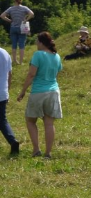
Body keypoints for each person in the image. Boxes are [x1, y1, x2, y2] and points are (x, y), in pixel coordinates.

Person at [16, 31, 61, 159]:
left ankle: (36, 149)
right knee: (49, 123)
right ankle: (48, 153)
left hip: (38, 91)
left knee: (30, 120)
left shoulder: (38, 55)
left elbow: (31, 75)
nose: (35, 43)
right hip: (53, 91)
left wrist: (23, 91)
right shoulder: (56, 56)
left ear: (41, 42)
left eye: (36, 41)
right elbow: (56, 74)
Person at [2, 0, 34, 66]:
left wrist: (10, 20)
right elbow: (32, 14)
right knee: (21, 45)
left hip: (13, 27)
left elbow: (2, 15)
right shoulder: (24, 8)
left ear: (14, 0)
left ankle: (14, 60)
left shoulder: (11, 9)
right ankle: (20, 62)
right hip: (22, 27)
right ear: (20, 0)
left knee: (14, 45)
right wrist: (26, 19)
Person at [1, 42, 19, 155]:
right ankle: (12, 141)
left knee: (1, 120)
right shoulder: (5, 53)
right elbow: (10, 74)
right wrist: (7, 90)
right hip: (2, 92)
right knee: (2, 119)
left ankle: (12, 141)